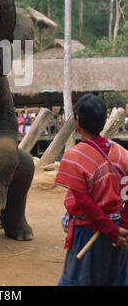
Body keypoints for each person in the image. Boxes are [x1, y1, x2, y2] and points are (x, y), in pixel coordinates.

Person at [55, 93, 128, 286]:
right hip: (119, 231)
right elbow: (127, 196)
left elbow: (84, 203)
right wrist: (123, 229)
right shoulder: (122, 153)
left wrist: (110, 231)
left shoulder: (74, 156)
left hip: (89, 231)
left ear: (77, 121)